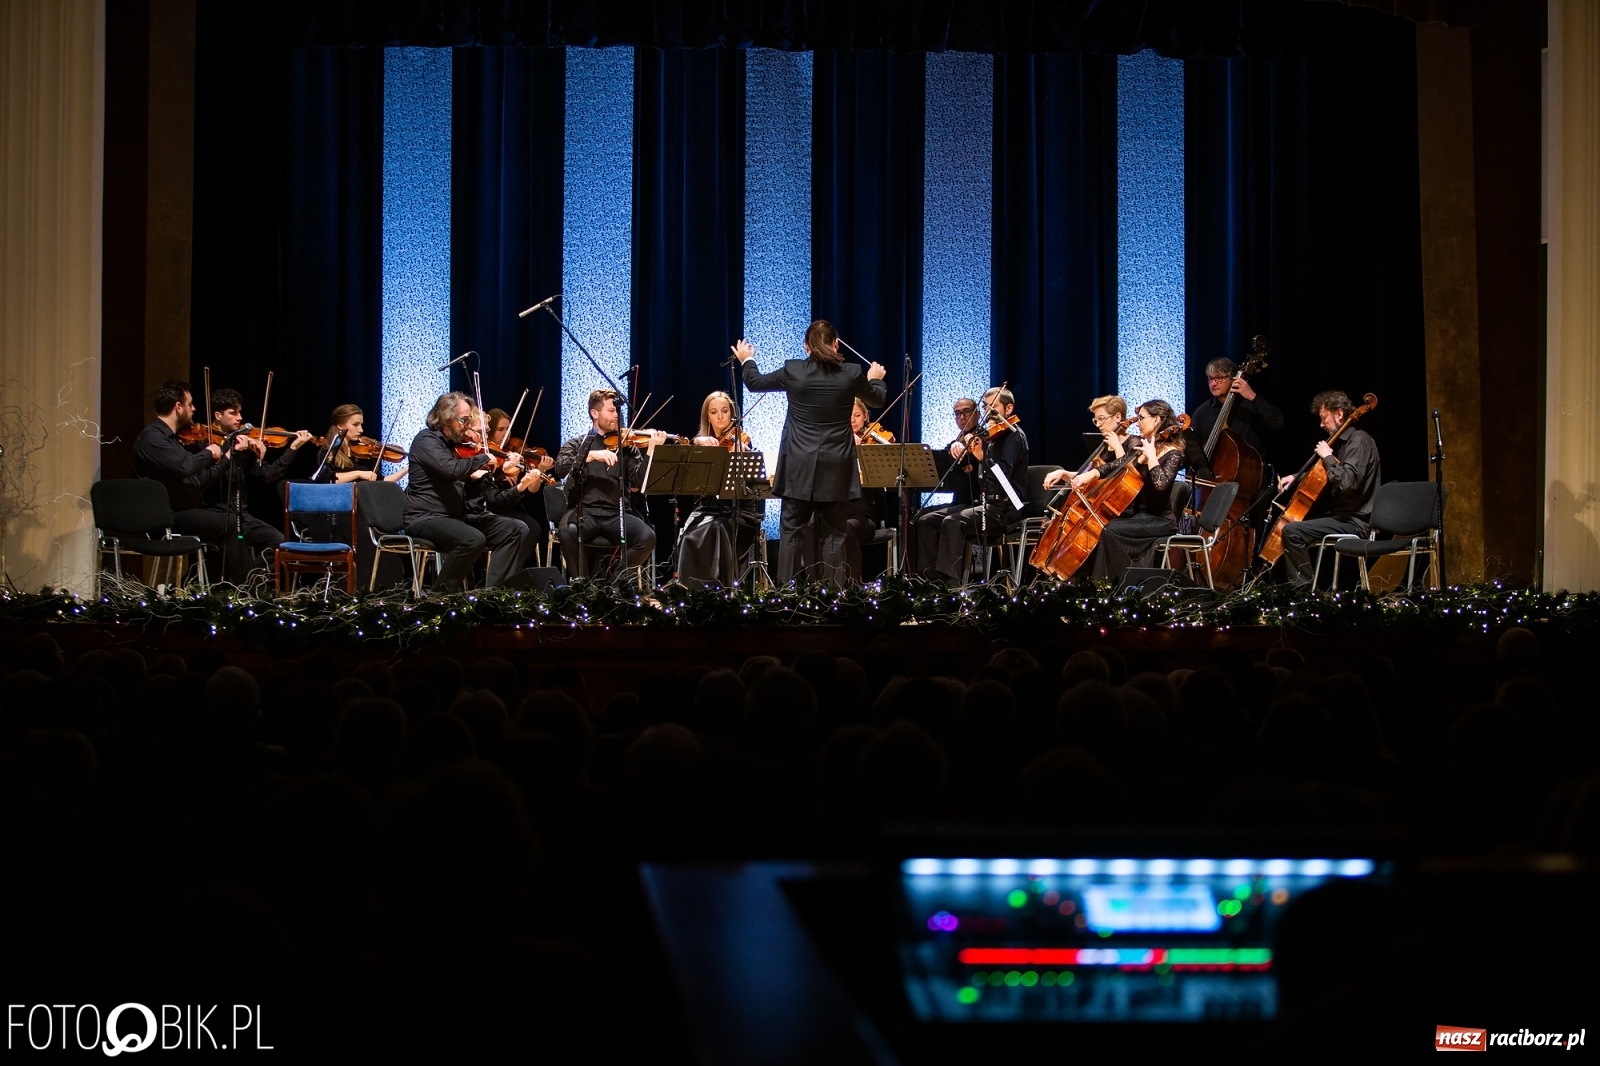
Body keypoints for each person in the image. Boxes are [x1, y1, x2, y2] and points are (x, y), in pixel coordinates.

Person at [733, 320, 887, 584]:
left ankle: (785, 597)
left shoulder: (794, 370)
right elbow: (876, 399)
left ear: (806, 347)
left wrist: (747, 360)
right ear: (836, 344)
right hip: (836, 467)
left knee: (791, 531)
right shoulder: (850, 373)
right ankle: (833, 599)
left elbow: (755, 382)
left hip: (798, 467)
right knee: (835, 534)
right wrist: (876, 379)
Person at [132, 382, 298, 584]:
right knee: (232, 527)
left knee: (261, 536)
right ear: (178, 407)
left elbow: (196, 477)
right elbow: (186, 468)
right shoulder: (154, 438)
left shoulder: (173, 440)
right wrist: (213, 453)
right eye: (190, 404)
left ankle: (238, 586)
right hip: (167, 516)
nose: (194, 409)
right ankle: (242, 591)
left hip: (192, 511)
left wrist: (235, 452)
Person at [403, 392, 538, 592]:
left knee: (517, 529)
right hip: (425, 517)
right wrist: (484, 457)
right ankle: (439, 595)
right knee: (472, 539)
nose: (467, 425)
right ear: (447, 418)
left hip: (456, 516)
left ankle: (494, 595)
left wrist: (500, 474)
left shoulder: (455, 446)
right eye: (464, 420)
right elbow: (452, 470)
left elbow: (471, 486)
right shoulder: (426, 440)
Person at [1059, 399, 1185, 581]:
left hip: (1160, 521)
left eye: (1142, 418)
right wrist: (1091, 474)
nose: (1138, 422)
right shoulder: (1144, 446)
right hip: (1139, 517)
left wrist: (1151, 457)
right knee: (1104, 526)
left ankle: (1123, 584)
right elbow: (1118, 464)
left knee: (1111, 531)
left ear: (1157, 419)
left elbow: (1161, 485)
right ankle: (1104, 584)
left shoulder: (1173, 453)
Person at [550, 388, 667, 580]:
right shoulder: (577, 444)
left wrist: (651, 452)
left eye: (617, 411)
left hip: (617, 514)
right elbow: (561, 468)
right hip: (585, 512)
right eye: (611, 411)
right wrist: (590, 455)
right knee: (567, 533)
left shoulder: (627, 447)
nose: (617, 415)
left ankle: (615, 584)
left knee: (647, 537)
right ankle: (583, 587)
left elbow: (639, 481)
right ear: (594, 413)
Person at [917, 387, 1029, 584]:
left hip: (1005, 508)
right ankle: (931, 584)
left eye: (993, 408)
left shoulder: (1014, 436)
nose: (987, 412)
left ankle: (952, 589)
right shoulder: (989, 435)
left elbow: (1002, 477)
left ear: (1009, 409)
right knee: (926, 520)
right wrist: (958, 443)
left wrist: (980, 456)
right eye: (986, 407)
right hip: (983, 504)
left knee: (952, 522)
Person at [1275, 390, 1381, 588]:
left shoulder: (1359, 441)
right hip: (1339, 517)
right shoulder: (1341, 443)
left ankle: (1304, 595)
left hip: (1355, 521)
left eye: (1324, 418)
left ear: (1339, 414)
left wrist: (1327, 457)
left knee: (1292, 532)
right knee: (1290, 525)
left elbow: (1347, 483)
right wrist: (1296, 477)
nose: (1321, 424)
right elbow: (1322, 475)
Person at [677, 391, 761, 587]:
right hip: (707, 508)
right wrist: (696, 443)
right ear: (708, 416)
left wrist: (744, 454)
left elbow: (750, 483)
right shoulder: (701, 443)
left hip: (738, 510)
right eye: (714, 412)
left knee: (716, 527)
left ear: (732, 413)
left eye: (724, 411)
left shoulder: (741, 440)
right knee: (688, 535)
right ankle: (694, 589)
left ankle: (720, 588)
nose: (720, 416)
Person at [800, 397, 887, 582]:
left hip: (861, 515)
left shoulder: (874, 444)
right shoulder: (832, 443)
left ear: (865, 416)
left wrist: (857, 452)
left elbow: (882, 477)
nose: (852, 420)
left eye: (857, 415)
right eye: (847, 416)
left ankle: (851, 586)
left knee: (845, 531)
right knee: (809, 527)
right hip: (833, 510)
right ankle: (816, 584)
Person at [910, 397, 983, 576]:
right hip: (960, 502)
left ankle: (950, 580)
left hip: (978, 504)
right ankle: (927, 577)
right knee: (920, 518)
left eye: (967, 411)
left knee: (947, 521)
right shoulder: (956, 443)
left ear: (978, 414)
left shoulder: (984, 439)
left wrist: (967, 446)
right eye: (957, 413)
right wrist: (954, 446)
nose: (962, 417)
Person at [1186, 357, 1283, 476]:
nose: (1213, 383)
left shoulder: (1250, 405)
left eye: (1220, 378)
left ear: (1234, 379)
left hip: (1250, 474)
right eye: (1211, 378)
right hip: (1215, 477)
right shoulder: (1202, 412)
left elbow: (1277, 421)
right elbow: (1193, 451)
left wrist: (1252, 396)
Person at [312, 404, 409, 484]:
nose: (361, 430)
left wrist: (408, 468)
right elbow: (327, 479)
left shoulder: (363, 456)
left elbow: (383, 481)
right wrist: (358, 473)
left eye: (361, 425)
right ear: (340, 426)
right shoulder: (329, 453)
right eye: (355, 425)